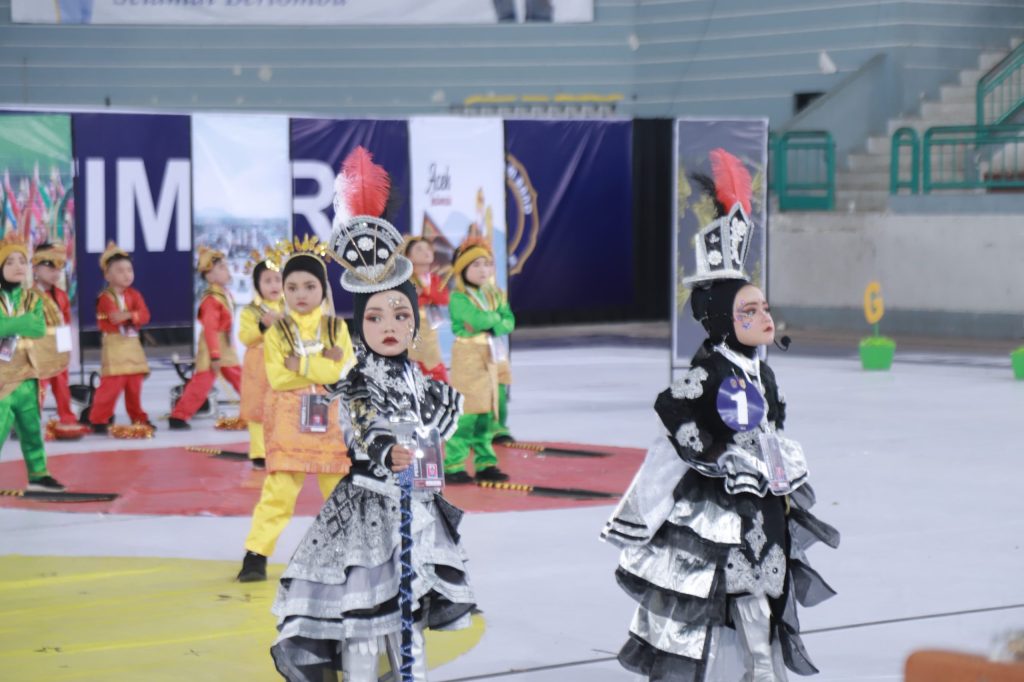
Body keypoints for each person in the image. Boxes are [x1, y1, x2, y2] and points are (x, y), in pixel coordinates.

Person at [602, 149, 839, 681]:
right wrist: (714, 453)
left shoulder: (763, 373)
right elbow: (674, 411)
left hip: (766, 501)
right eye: (749, 311)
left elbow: (770, 423)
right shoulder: (708, 371)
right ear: (724, 321)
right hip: (722, 508)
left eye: (765, 308)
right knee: (734, 604)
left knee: (765, 599)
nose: (764, 317)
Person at [271, 214, 474, 682]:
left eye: (401, 316)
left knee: (410, 617)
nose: (389, 326)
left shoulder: (420, 379)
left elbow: (434, 430)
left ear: (415, 323)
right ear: (359, 325)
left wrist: (425, 448)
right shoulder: (359, 379)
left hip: (416, 509)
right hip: (367, 513)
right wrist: (387, 451)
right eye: (374, 317)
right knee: (364, 620)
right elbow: (364, 425)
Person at [236, 235, 356, 583]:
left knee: (339, 492)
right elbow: (278, 377)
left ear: (323, 289)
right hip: (289, 423)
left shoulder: (337, 328)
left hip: (330, 423)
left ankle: (351, 554)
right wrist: (322, 364)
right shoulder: (277, 331)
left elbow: (342, 373)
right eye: (292, 287)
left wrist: (301, 365)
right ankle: (256, 554)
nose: (300, 294)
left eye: (309, 286)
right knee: (279, 491)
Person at [443, 237, 513, 483]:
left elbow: (509, 321)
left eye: (487, 264)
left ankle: (485, 463)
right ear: (462, 269)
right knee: (467, 413)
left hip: (490, 355)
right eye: (476, 265)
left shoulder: (495, 294)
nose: (483, 270)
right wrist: (495, 320)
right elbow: (479, 320)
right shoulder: (458, 298)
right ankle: (453, 464)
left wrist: (492, 322)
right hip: (468, 357)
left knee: (486, 413)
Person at [0, 233, 64, 492]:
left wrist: (10, 324)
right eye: (10, 262)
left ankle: (38, 472)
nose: (18, 266)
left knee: (31, 429)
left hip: (27, 374)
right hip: (3, 378)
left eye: (22, 261)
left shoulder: (32, 298)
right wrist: (21, 323)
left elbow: (38, 328)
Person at [169, 247, 242, 430]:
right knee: (201, 384)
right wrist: (215, 356)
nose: (227, 270)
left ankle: (257, 411)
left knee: (240, 378)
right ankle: (178, 416)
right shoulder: (211, 300)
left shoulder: (223, 294)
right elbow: (210, 329)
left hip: (223, 345)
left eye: (226, 266)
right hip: (212, 346)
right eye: (222, 268)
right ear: (209, 275)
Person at [89, 242, 152, 433]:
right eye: (120, 270)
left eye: (129, 270)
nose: (127, 275)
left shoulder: (135, 294)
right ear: (107, 275)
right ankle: (99, 419)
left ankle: (138, 418)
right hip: (115, 344)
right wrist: (132, 315)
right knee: (112, 385)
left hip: (132, 344)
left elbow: (145, 315)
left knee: (134, 385)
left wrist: (129, 315)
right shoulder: (105, 297)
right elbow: (114, 318)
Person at [238, 245, 286, 469]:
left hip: (283, 365)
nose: (274, 285)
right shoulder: (250, 311)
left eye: (277, 280)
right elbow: (245, 337)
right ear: (257, 285)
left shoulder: (289, 307)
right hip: (258, 366)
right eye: (267, 281)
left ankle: (280, 448)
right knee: (257, 408)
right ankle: (259, 452)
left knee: (282, 407)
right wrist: (262, 326)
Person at [31, 242, 85, 437]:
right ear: (35, 268)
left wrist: (65, 350)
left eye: (58, 267)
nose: (55, 272)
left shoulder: (61, 295)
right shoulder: (29, 296)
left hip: (57, 349)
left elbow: (65, 323)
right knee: (38, 387)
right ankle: (29, 422)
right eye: (49, 266)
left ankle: (67, 419)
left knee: (62, 386)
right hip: (38, 350)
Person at [403, 236, 450, 383]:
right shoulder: (405, 281)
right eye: (419, 249)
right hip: (412, 334)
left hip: (431, 336)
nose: (426, 252)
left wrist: (425, 293)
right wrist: (426, 296)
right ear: (409, 257)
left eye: (428, 249)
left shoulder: (434, 279)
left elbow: (444, 298)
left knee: (436, 374)